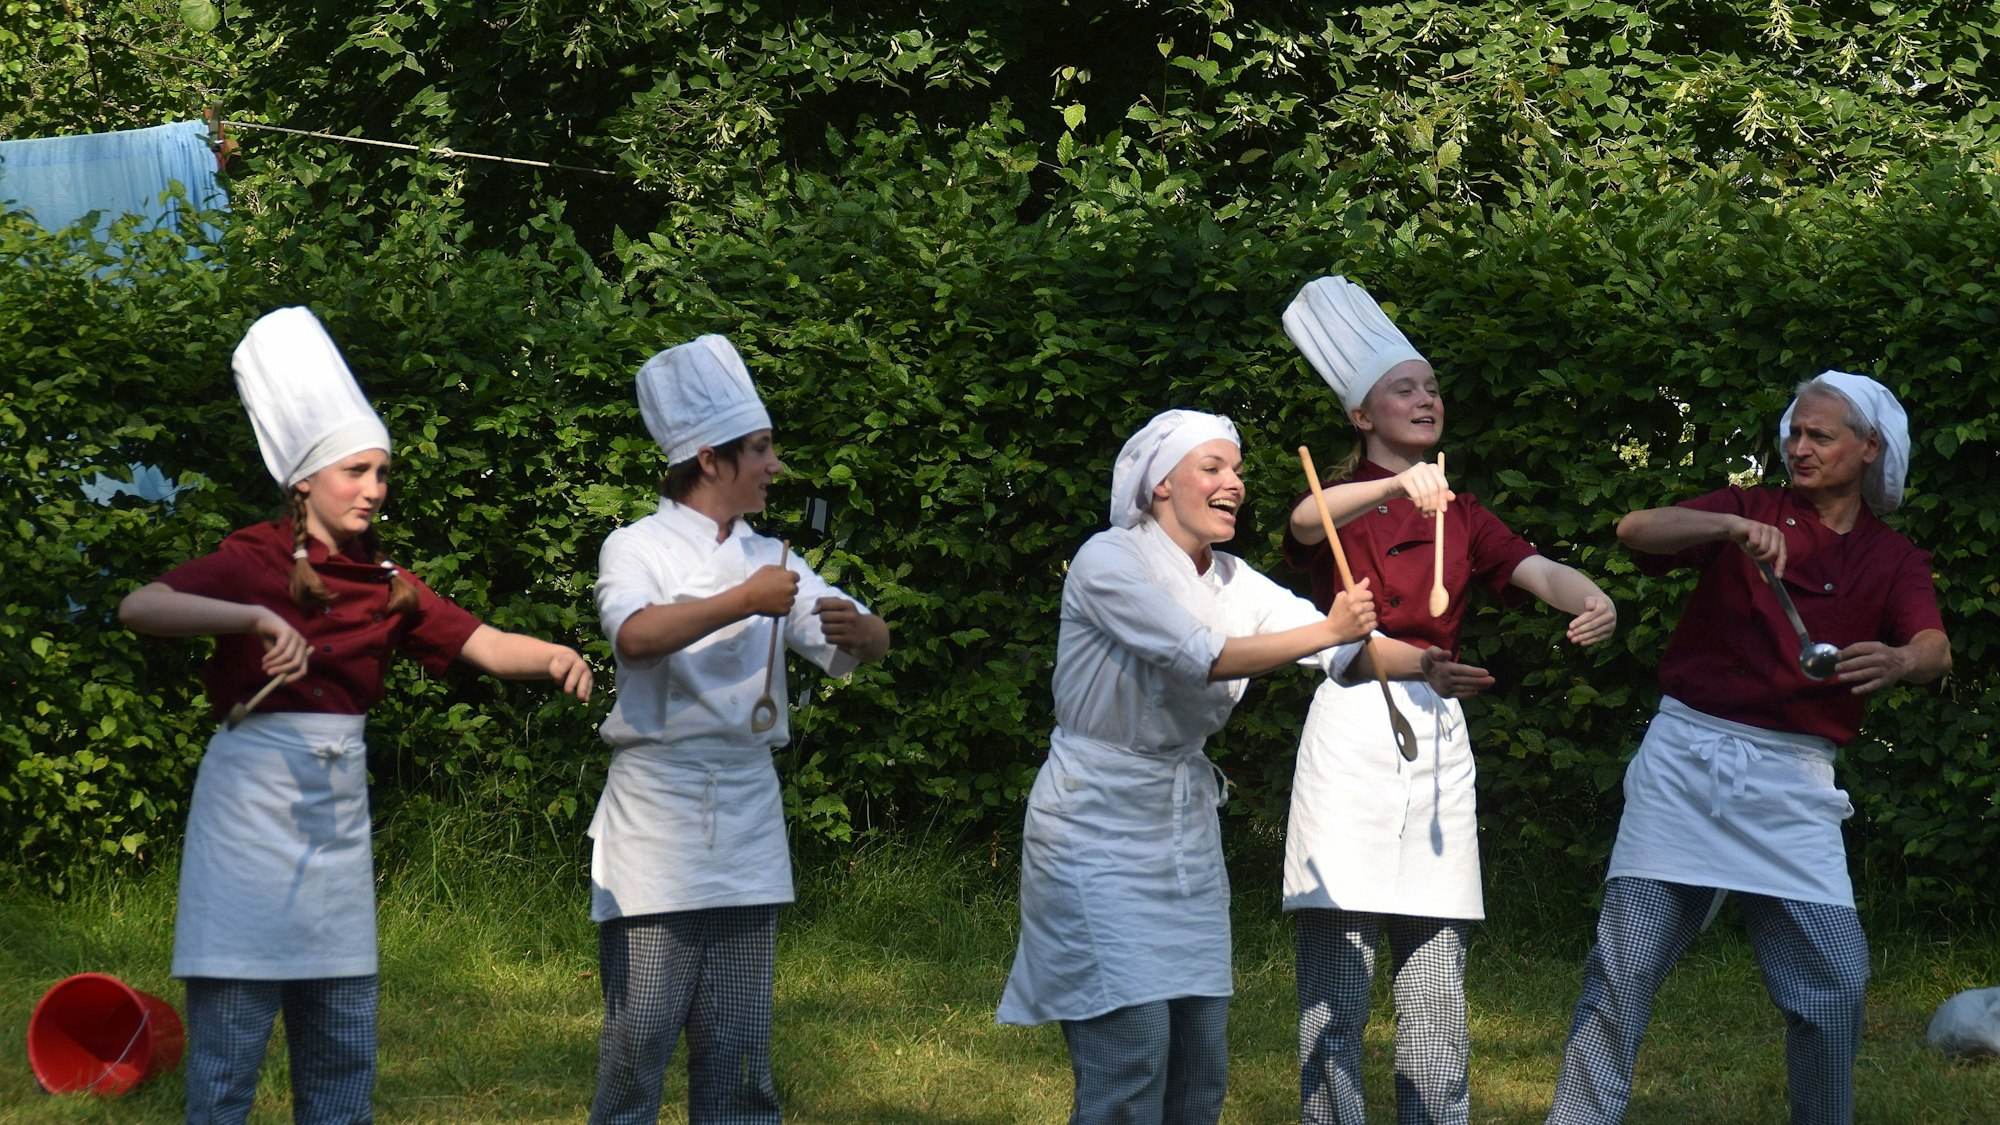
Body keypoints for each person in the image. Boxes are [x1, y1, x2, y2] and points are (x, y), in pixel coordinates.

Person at [118, 307, 594, 1125]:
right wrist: (252, 618)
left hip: (334, 830)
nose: (374, 488)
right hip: (248, 820)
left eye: (382, 472)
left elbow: (482, 642)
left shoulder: (386, 581)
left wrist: (552, 654)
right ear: (305, 480)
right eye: (357, 471)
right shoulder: (252, 560)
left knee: (341, 1035)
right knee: (232, 1038)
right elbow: (141, 607)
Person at [1546, 371, 1950, 1125]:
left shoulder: (1892, 556)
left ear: (1869, 448)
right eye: (1794, 432)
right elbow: (1635, 528)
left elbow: (1935, 648)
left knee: (1837, 984)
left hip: (1793, 784)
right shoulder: (1748, 510)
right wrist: (1723, 529)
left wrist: (1899, 659)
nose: (1800, 447)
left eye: (1820, 435)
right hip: (1685, 764)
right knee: (1621, 972)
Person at [1278, 276, 1617, 1125]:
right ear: (1361, 415)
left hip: (1435, 739)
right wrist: (1396, 488)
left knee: (1435, 989)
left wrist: (1590, 597)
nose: (1426, 398)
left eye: (1431, 386)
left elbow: (1536, 568)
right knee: (1337, 987)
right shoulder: (1348, 499)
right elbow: (1306, 522)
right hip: (1352, 731)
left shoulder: (1462, 512)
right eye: (1405, 388)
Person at [998, 408, 1380, 1125]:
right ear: (1160, 485)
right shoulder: (1109, 561)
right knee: (1131, 1057)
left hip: (1182, 837)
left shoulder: (1235, 580)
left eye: (1237, 469)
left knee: (1201, 1066)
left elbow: (1342, 649)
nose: (1234, 482)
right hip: (1092, 827)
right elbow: (1203, 655)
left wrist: (1428, 665)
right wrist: (1332, 628)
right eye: (1213, 467)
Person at [586, 334, 891, 1125]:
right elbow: (635, 637)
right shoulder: (635, 547)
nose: (774, 465)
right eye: (759, 449)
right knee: (638, 1044)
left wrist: (866, 633)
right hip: (657, 816)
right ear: (708, 459)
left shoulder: (770, 557)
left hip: (748, 813)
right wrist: (742, 601)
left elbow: (860, 635)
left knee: (741, 1049)